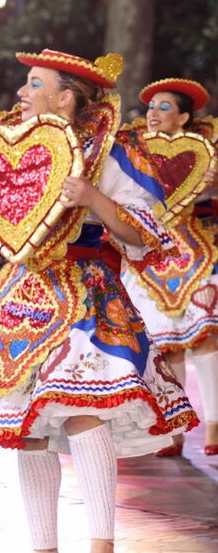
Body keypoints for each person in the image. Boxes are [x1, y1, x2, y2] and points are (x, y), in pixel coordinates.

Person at [0, 50, 199, 553]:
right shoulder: (6, 149)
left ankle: (101, 543)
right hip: (22, 292)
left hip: (84, 290)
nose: (21, 94)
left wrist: (93, 198)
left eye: (33, 84)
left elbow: (147, 232)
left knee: (83, 408)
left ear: (65, 96)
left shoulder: (112, 149)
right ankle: (44, 545)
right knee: (27, 426)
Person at [119, 79, 218, 457]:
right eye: (151, 107)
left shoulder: (206, 150)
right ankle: (176, 426)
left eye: (164, 107)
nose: (154, 113)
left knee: (205, 338)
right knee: (165, 347)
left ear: (184, 116)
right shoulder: (134, 151)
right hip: (151, 258)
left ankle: (214, 424)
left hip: (197, 252)